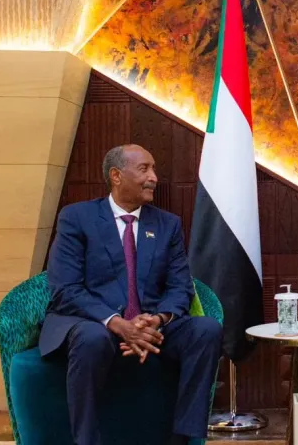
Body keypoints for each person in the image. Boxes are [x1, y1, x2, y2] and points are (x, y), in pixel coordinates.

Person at [39, 144, 222, 445]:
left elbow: (180, 286)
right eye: (144, 169)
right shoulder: (77, 218)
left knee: (206, 330)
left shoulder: (167, 224)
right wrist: (117, 323)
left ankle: (184, 439)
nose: (154, 177)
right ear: (116, 175)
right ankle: (86, 441)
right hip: (95, 323)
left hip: (150, 325)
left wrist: (156, 321)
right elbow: (65, 289)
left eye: (154, 169)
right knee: (92, 338)